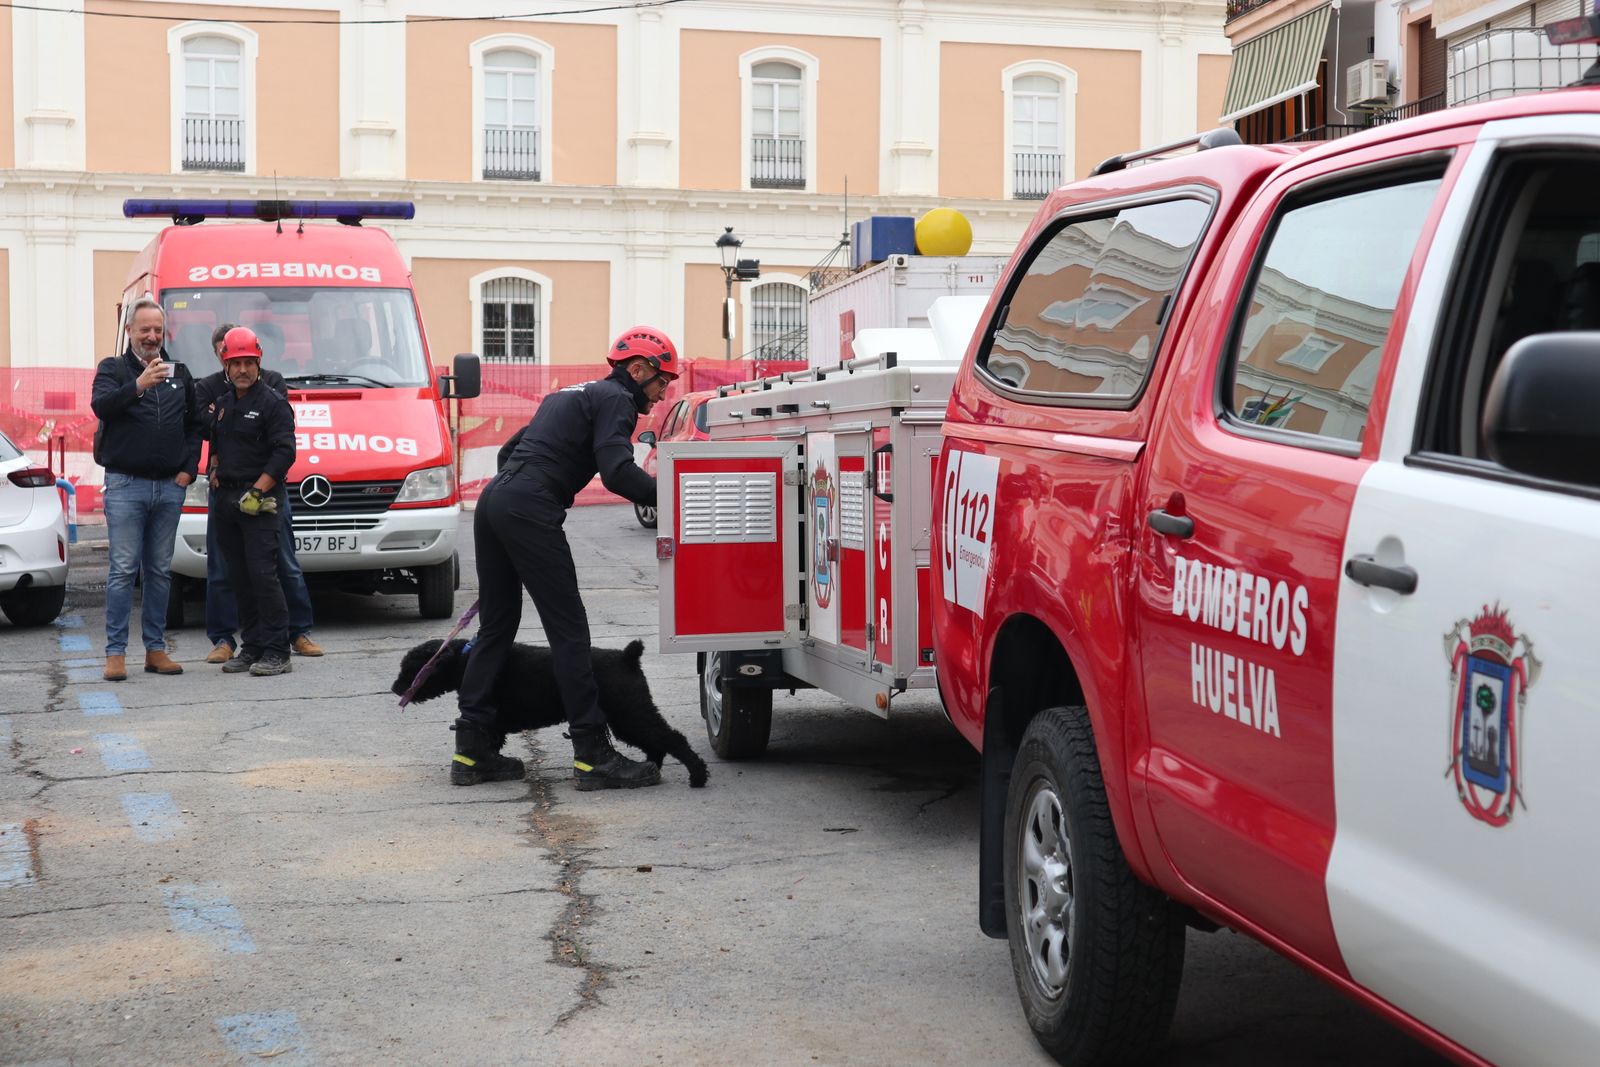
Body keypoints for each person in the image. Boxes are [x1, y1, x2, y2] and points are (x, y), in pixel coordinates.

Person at [451, 326, 679, 789]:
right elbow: (617, 473)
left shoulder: (569, 395)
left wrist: (519, 495)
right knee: (569, 631)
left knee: (496, 626)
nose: (661, 394)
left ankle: (472, 752)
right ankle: (592, 753)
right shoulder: (616, 398)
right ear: (638, 370)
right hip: (528, 505)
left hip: (498, 499)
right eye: (662, 382)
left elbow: (507, 451)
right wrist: (675, 499)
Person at [195, 323, 322, 664]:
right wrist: (215, 468)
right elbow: (218, 442)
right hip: (228, 502)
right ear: (225, 364)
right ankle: (251, 647)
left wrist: (257, 490)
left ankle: (278, 651)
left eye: (248, 362)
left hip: (260, 502)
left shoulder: (273, 402)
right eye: (235, 363)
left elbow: (285, 453)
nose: (242, 369)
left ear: (258, 362)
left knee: (265, 576)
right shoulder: (222, 403)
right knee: (241, 579)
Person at [91, 298, 200, 682]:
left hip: (169, 488)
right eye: (144, 330)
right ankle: (115, 654)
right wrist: (137, 385)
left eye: (157, 330)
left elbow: (195, 424)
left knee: (159, 572)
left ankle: (155, 650)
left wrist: (189, 470)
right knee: (123, 571)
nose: (152, 337)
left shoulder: (180, 373)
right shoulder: (113, 369)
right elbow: (101, 406)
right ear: (129, 331)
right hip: (125, 486)